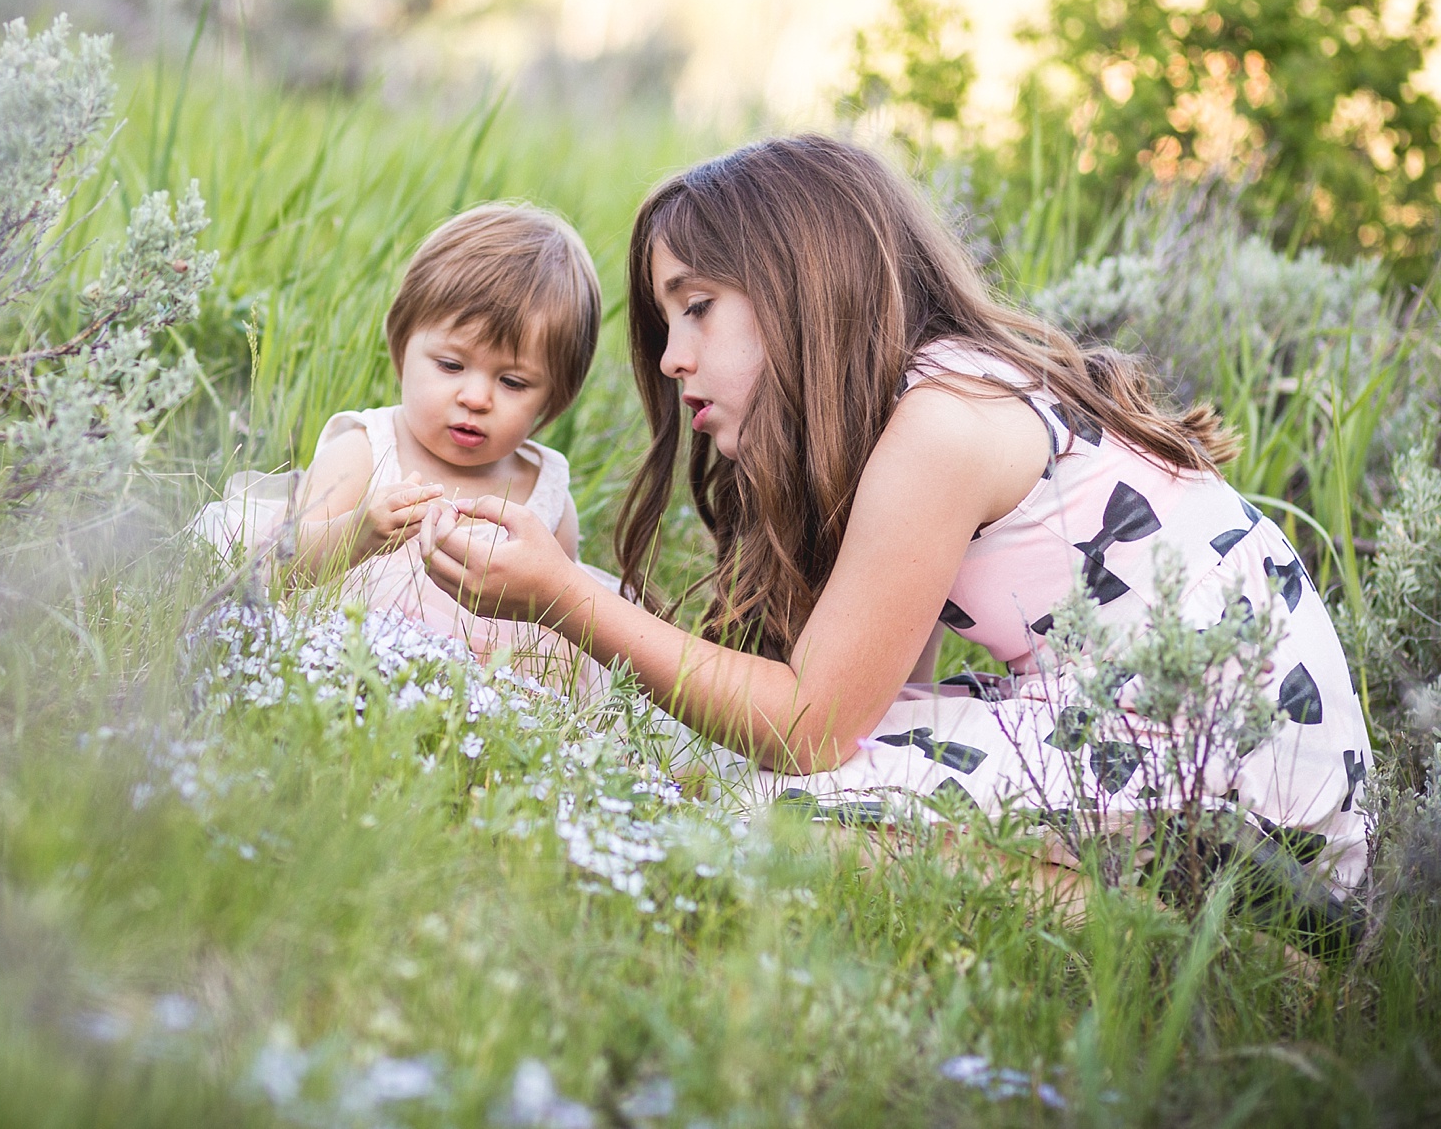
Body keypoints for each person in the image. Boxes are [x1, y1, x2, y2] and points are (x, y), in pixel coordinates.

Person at [420, 136, 1373, 891]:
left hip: (1251, 799)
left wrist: (563, 601)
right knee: (748, 781)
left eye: (697, 307)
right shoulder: (922, 406)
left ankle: (1234, 947)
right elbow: (864, 710)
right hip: (1160, 745)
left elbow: (810, 729)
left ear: (801, 288)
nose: (672, 357)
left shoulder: (943, 424)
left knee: (769, 812)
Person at [197, 202, 613, 687]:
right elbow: (281, 569)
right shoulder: (365, 453)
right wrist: (358, 533)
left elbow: (564, 636)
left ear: (554, 396)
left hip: (480, 698)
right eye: (451, 366)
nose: (476, 398)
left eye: (514, 383)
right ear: (402, 349)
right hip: (344, 671)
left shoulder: (545, 497)